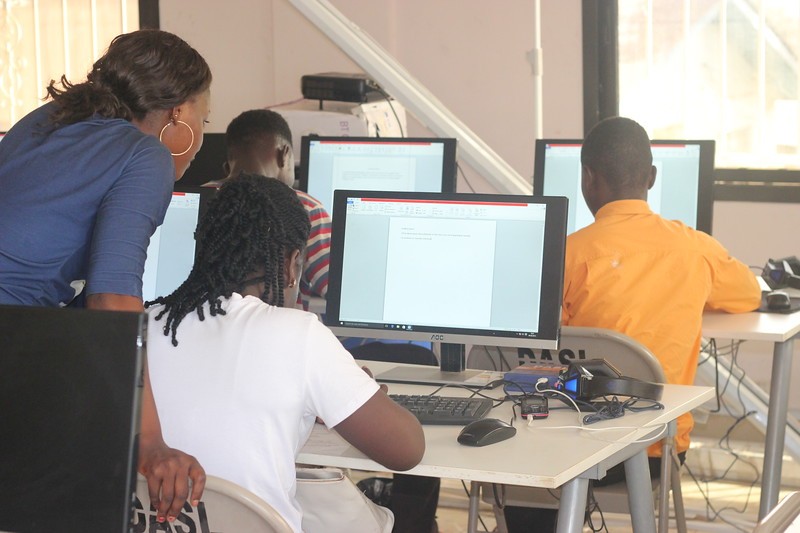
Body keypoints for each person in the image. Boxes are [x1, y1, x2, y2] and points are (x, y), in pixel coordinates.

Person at [504, 116, 762, 532]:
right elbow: (749, 294)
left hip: (575, 443)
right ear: (653, 178)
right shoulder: (695, 249)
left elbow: (541, 346)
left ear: (588, 178)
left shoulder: (567, 253)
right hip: (656, 449)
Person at [0, 29, 212, 523]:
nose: (202, 134)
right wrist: (151, 442)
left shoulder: (45, 122)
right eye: (205, 116)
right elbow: (112, 301)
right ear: (179, 114)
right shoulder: (146, 157)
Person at [145, 174, 425, 531]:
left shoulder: (143, 324)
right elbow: (406, 451)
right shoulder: (300, 334)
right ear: (292, 266)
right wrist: (346, 390)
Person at [205, 108, 331, 301]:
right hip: (285, 327)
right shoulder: (306, 208)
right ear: (284, 154)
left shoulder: (201, 200)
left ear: (227, 166)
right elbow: (337, 292)